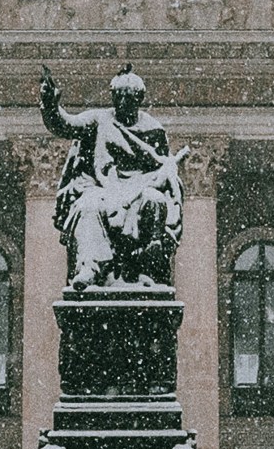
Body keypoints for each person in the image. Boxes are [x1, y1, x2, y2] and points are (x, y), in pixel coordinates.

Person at [34, 68, 182, 289]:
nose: (123, 103)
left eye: (129, 98)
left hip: (140, 189)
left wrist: (163, 178)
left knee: (156, 201)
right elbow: (65, 125)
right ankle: (91, 267)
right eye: (119, 97)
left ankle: (149, 266)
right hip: (102, 185)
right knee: (89, 205)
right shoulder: (98, 119)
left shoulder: (153, 130)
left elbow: (164, 170)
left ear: (139, 99)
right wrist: (50, 106)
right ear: (113, 97)